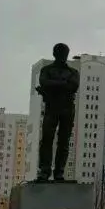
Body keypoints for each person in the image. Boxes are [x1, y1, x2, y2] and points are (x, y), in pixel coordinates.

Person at [36, 43, 80, 181]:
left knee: (64, 141)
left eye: (65, 53)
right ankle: (45, 170)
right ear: (55, 54)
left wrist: (54, 84)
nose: (63, 56)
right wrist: (63, 83)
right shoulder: (46, 69)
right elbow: (44, 82)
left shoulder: (73, 72)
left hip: (67, 109)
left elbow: (73, 86)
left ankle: (59, 171)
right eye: (60, 53)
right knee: (47, 140)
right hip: (51, 108)